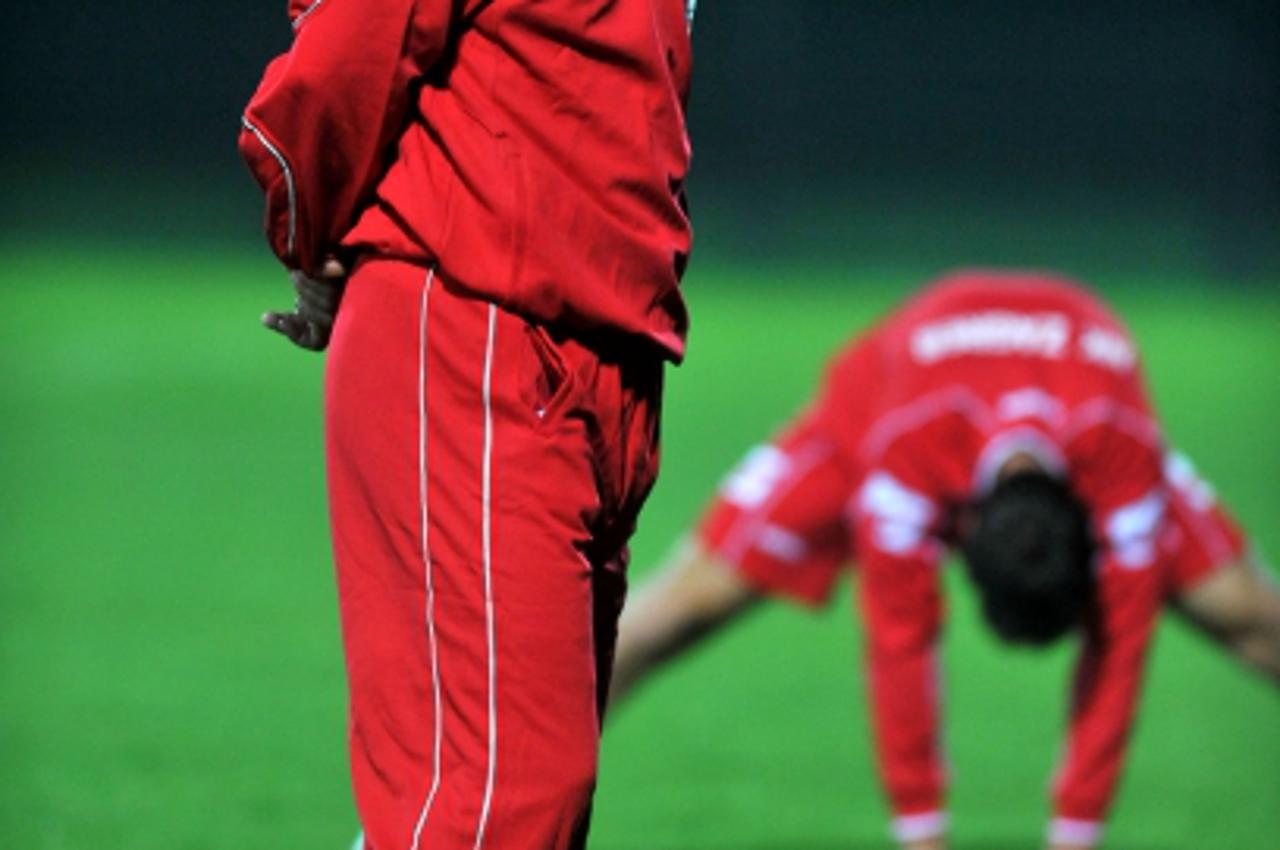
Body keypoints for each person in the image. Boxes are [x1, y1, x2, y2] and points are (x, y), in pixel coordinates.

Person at [609, 269, 1280, 850]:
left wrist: (1078, 833)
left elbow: (1123, 640)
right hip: (869, 417)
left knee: (1250, 615)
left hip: (1084, 402)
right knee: (683, 605)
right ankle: (523, 766)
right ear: (961, 529)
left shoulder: (1119, 447)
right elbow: (900, 640)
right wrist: (921, 833)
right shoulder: (912, 447)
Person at [237, 2, 697, 849]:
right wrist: (315, 234)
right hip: (480, 329)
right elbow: (341, 58)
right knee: (498, 806)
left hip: (604, 350)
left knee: (522, 799)